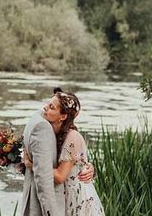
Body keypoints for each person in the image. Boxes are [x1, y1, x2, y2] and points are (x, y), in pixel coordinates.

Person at [23, 88, 104, 216]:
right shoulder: (54, 133)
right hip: (65, 195)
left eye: (51, 107)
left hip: (76, 198)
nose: (45, 108)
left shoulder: (72, 138)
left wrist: (31, 165)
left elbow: (60, 176)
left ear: (63, 116)